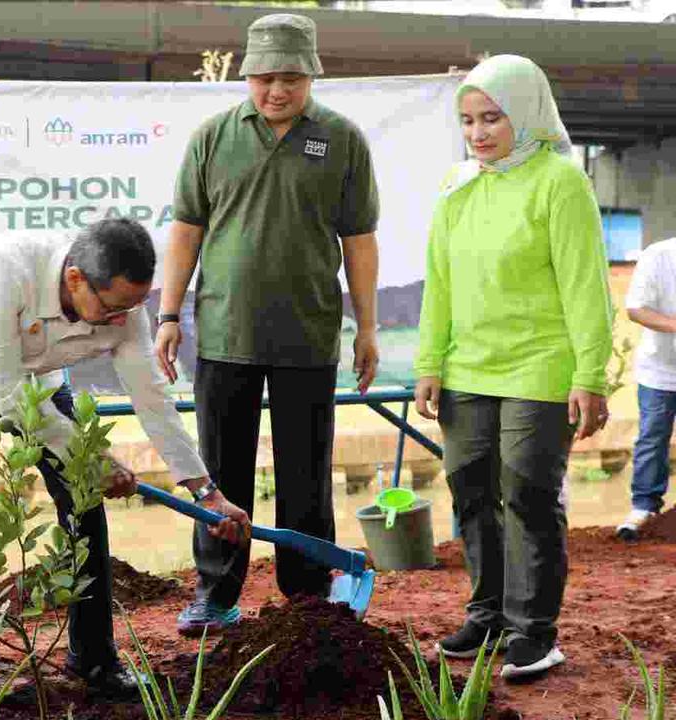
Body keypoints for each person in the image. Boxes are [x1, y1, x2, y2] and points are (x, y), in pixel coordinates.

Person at [0, 218, 249, 697]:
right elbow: (2, 392)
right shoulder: (4, 270)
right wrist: (92, 456)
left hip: (38, 383)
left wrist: (206, 492)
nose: (120, 320)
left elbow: (151, 397)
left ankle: (93, 657)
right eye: (112, 309)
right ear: (74, 280)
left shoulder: (124, 308)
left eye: (132, 308)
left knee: (83, 500)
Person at [153, 13, 381, 635]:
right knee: (221, 474)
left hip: (308, 336)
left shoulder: (341, 139)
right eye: (264, 78)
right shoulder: (212, 137)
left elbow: (359, 240)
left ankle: (306, 597)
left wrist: (367, 326)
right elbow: (186, 231)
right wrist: (169, 314)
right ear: (247, 75)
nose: (276, 91)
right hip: (225, 333)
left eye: (290, 78)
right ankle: (216, 592)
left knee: (306, 474)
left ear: (310, 75)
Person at [413, 55, 612, 680]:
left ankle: (534, 631)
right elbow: (439, 284)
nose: (478, 133)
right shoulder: (456, 185)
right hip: (467, 369)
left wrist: (589, 374)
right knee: (471, 490)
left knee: (526, 491)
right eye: (468, 120)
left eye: (492, 118)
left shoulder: (559, 181)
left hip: (539, 365)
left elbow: (586, 285)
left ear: (524, 113)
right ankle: (489, 615)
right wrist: (429, 362)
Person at [617, 237, 676, 539]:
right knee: (653, 437)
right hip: (661, 371)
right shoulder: (659, 256)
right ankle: (644, 506)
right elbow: (636, 309)